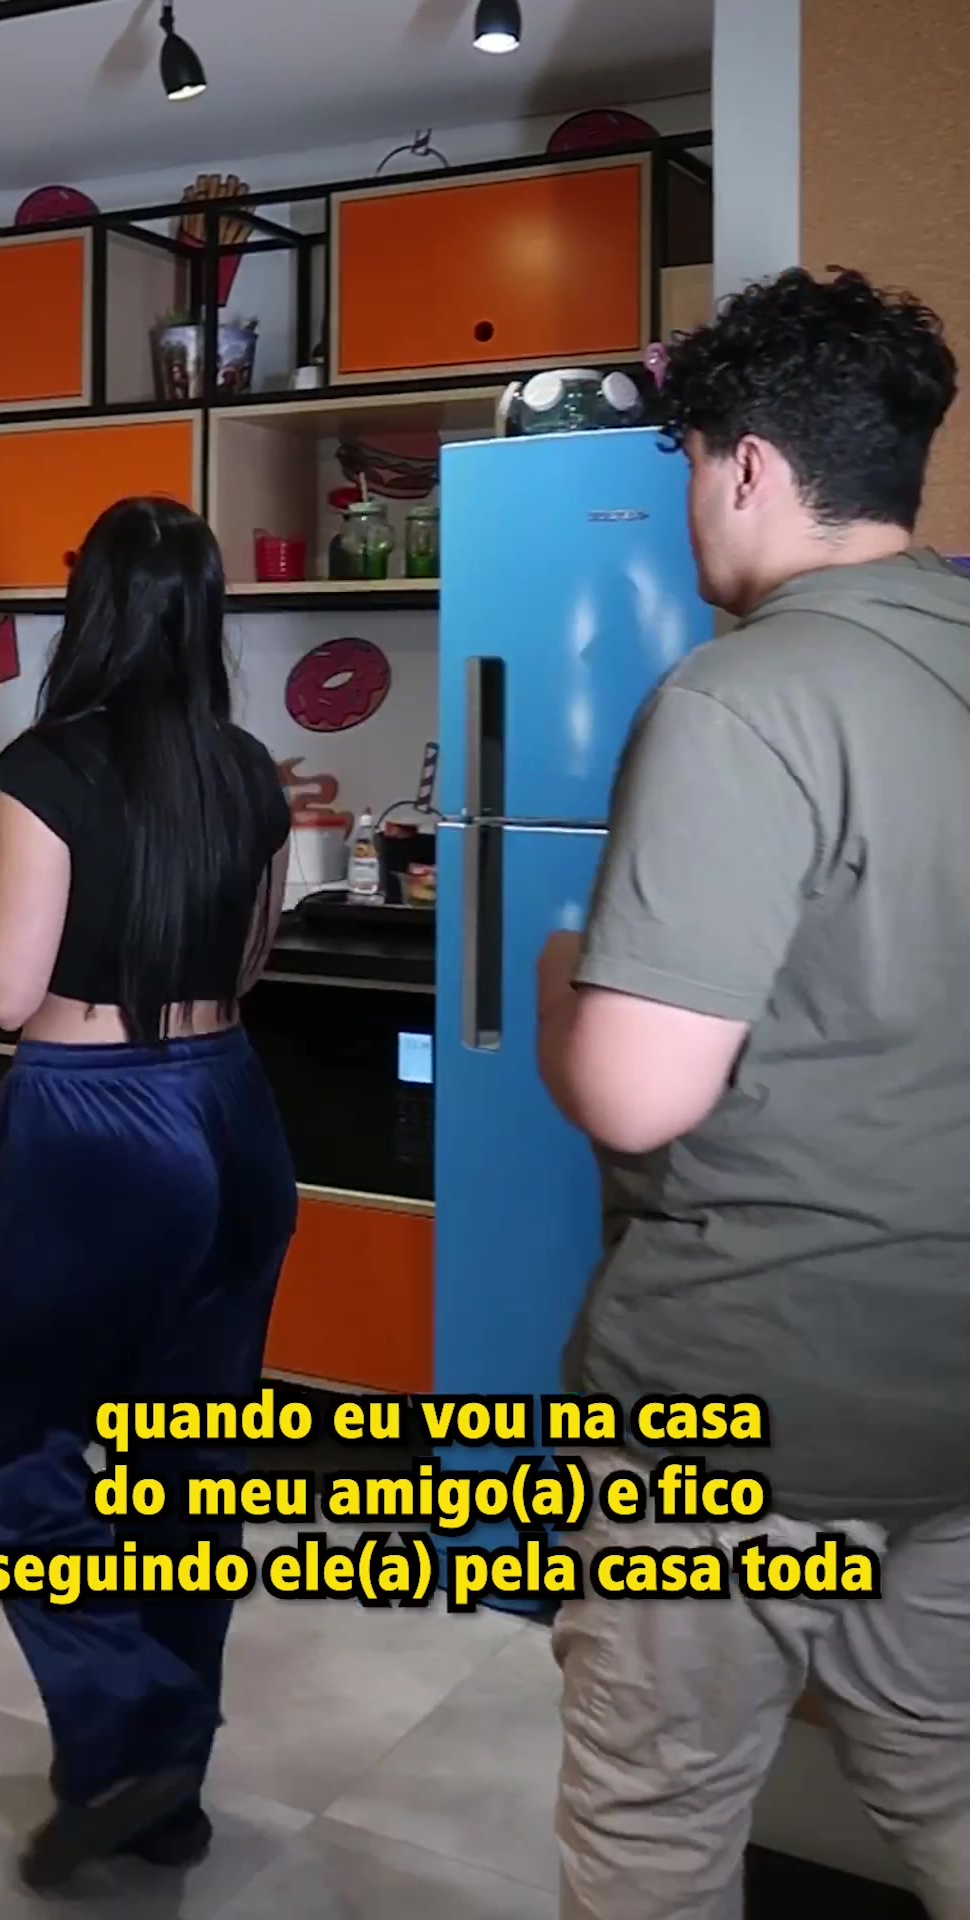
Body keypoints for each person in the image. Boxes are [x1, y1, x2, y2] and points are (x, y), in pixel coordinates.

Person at [536, 269, 969, 1920]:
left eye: (695, 461)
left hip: (746, 1390)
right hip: (951, 1387)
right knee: (948, 1771)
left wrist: (562, 982)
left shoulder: (745, 695)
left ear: (749, 468)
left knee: (654, 1821)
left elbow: (637, 1096)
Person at [0, 498, 297, 1889]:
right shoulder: (248, 771)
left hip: (96, 1127)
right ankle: (159, 1797)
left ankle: (135, 1732)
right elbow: (249, 966)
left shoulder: (45, 766)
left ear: (95, 613)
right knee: (189, 1460)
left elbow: (7, 987)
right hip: (231, 1112)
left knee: (10, 1447)